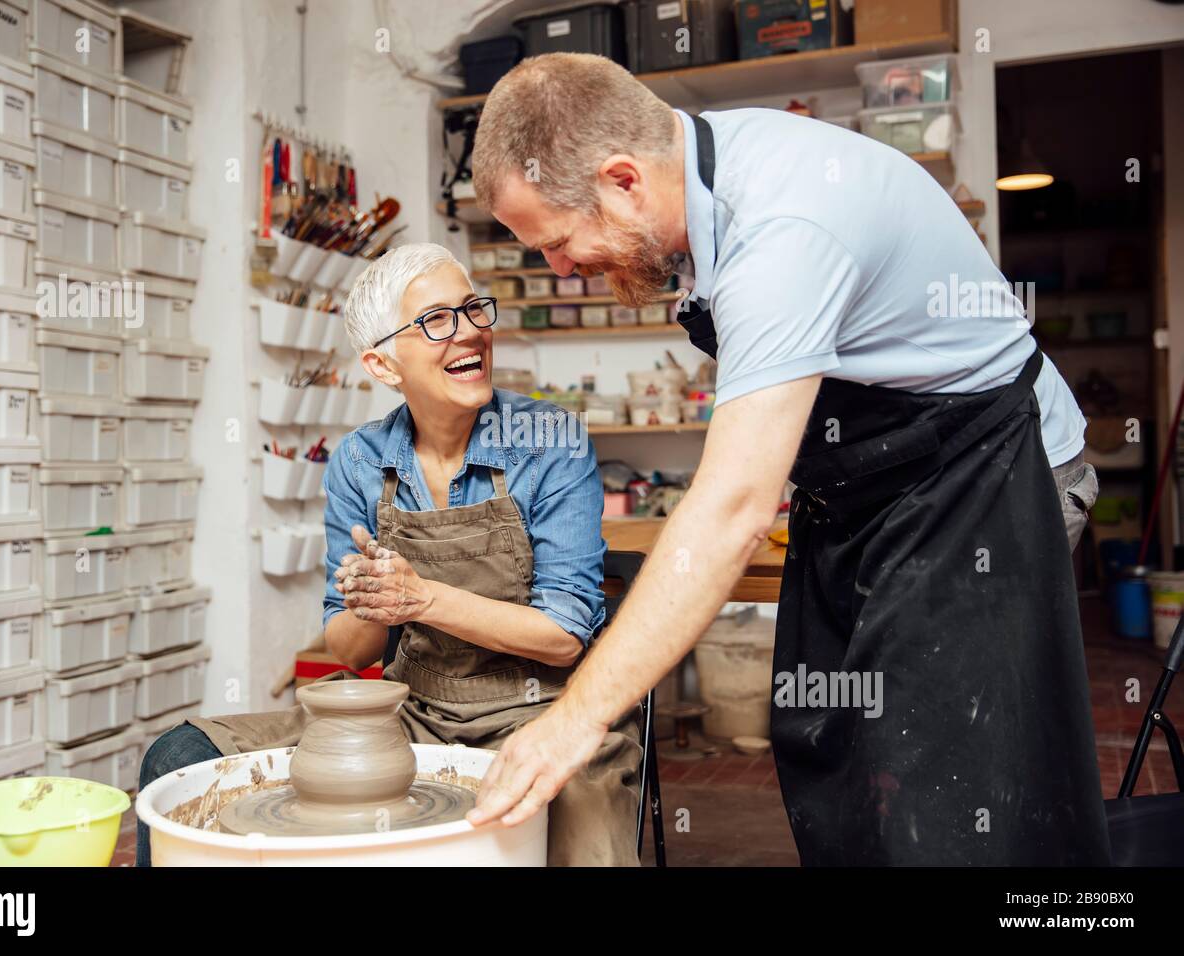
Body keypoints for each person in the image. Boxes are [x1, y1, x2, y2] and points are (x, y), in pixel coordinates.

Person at [464, 53, 1110, 866]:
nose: (558, 268)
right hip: (874, 488)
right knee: (831, 743)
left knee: (943, 785)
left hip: (990, 479)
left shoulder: (784, 228)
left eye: (557, 242)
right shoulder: (687, 196)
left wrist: (576, 718)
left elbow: (733, 509)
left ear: (623, 179)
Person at [137, 243, 640, 866]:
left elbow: (563, 637)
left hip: (544, 713)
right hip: (412, 715)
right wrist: (371, 601)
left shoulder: (549, 440)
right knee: (178, 757)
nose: (470, 334)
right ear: (383, 364)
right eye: (436, 320)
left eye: (474, 309)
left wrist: (422, 597)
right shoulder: (360, 460)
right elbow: (348, 652)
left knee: (585, 838)